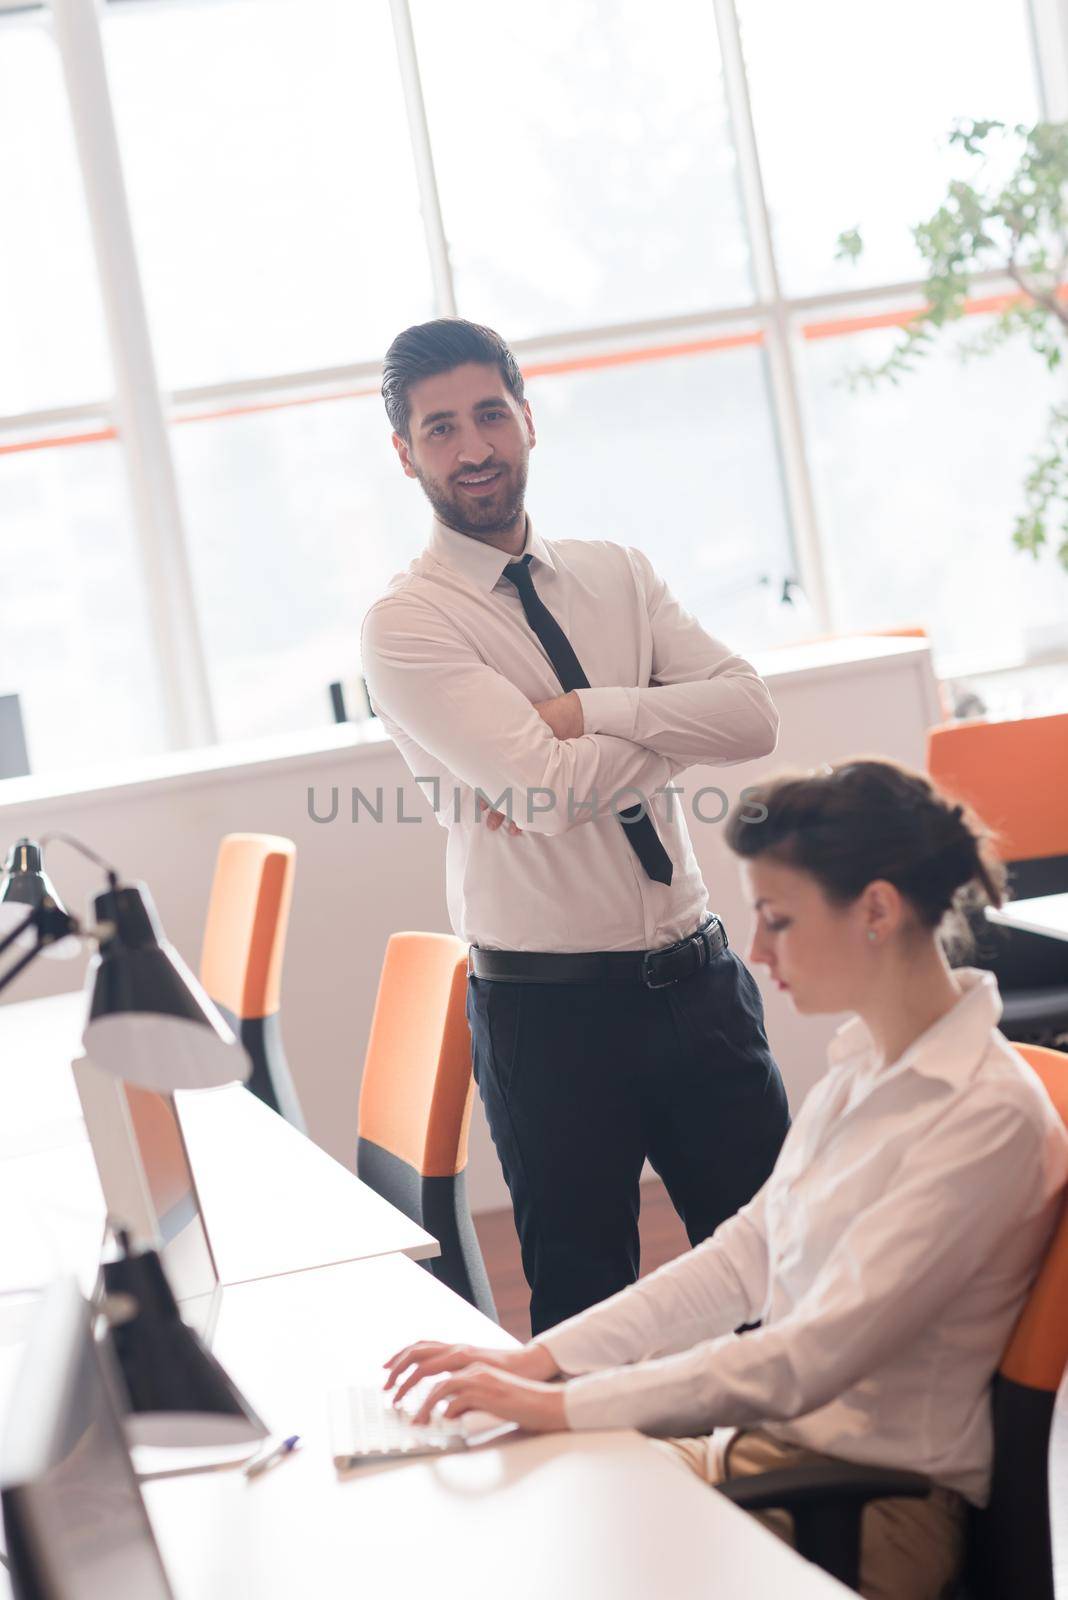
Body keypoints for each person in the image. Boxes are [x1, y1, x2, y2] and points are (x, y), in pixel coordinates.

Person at [382, 759, 1068, 1600]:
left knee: (540, 1533)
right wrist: (539, 1362)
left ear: (878, 910)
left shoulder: (984, 1115)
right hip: (757, 1460)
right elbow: (744, 1256)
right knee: (506, 1495)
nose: (755, 950)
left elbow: (804, 1360)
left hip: (861, 1514)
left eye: (778, 919)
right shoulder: (866, 1069)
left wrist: (558, 1405)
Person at [361, 318, 789, 1336]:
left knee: (786, 1277)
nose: (474, 449)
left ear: (527, 419)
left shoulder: (618, 574)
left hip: (702, 985)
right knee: (587, 1315)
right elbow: (548, 790)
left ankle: (800, 1495)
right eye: (441, 429)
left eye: (490, 415)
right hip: (552, 1021)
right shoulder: (408, 623)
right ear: (405, 452)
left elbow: (754, 715)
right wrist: (659, 715)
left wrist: (593, 711)